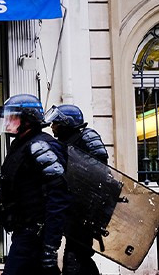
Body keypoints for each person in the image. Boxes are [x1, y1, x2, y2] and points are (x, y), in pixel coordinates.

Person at [0, 94, 71, 275]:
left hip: (35, 234)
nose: (7, 122)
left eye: (12, 116)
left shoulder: (41, 146)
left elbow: (58, 197)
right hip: (24, 232)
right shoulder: (21, 145)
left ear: (28, 118)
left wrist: (50, 246)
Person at [44, 104, 108, 275]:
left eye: (56, 123)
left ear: (67, 123)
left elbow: (101, 170)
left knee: (76, 257)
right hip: (72, 208)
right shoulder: (61, 143)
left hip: (87, 208)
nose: (52, 127)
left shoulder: (87, 136)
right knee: (75, 255)